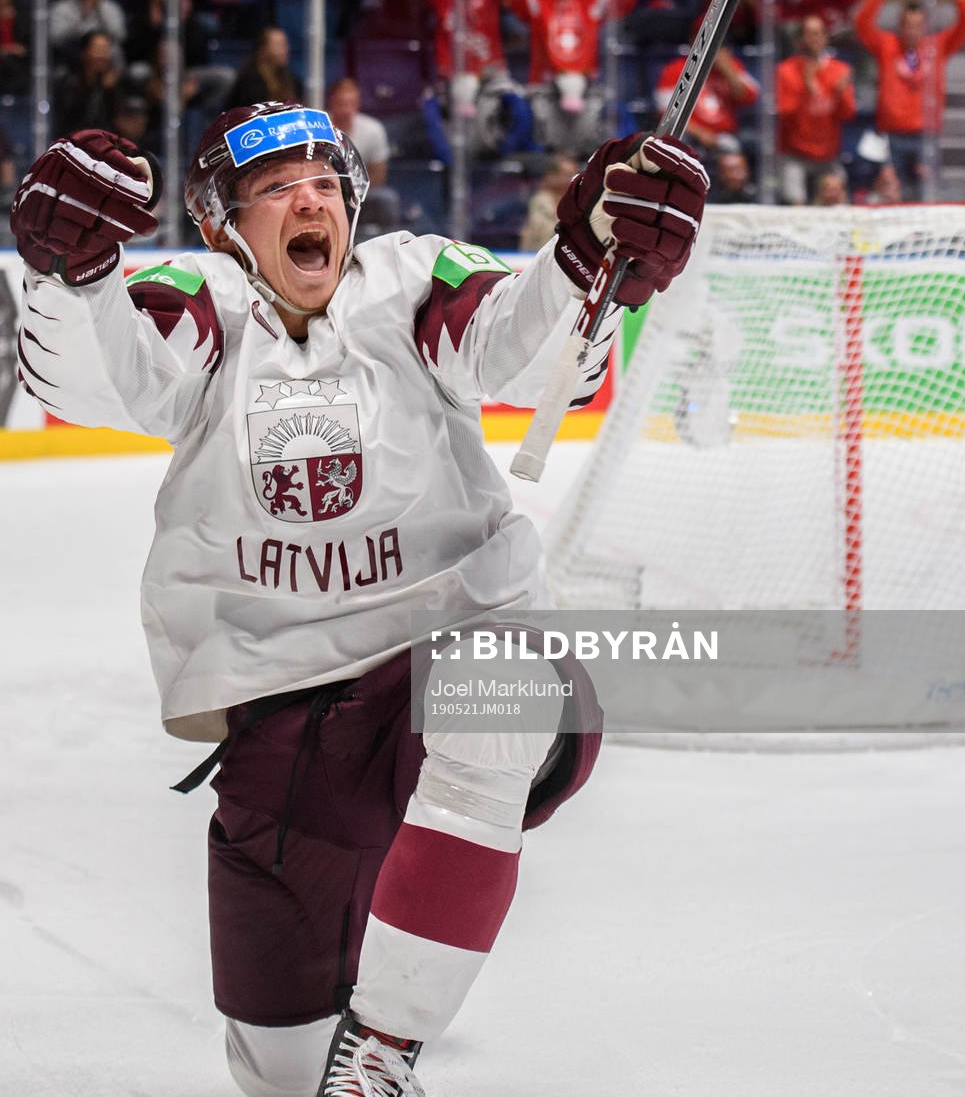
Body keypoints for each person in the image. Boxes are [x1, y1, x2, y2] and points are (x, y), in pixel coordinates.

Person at [11, 103, 709, 1096]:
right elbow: (105, 379)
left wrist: (586, 262)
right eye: (275, 188)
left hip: (443, 653)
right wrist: (67, 275)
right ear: (220, 224)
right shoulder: (204, 301)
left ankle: (382, 1047)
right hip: (281, 717)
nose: (310, 201)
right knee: (279, 1071)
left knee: (497, 690)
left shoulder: (412, 280)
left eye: (324, 183)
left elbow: (516, 347)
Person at [405, 0, 534, 161]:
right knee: (431, 111)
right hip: (453, 76)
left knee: (519, 107)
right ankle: (450, 164)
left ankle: (503, 158)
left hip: (492, 75)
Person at [854, 0, 965, 200]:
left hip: (926, 136)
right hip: (891, 135)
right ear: (900, 24)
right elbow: (861, 24)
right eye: (907, 24)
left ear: (925, 25)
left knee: (926, 196)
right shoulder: (887, 44)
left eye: (917, 25)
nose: (912, 30)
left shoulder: (937, 46)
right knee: (891, 194)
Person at [506, 0, 636, 156]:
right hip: (544, 87)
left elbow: (625, 3)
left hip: (586, 87)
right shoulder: (539, 0)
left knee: (608, 123)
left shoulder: (593, 0)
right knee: (539, 136)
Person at [775, 14, 856, 205]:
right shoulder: (786, 70)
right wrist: (806, 90)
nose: (815, 39)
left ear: (826, 37)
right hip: (795, 153)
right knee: (795, 203)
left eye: (819, 33)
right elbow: (784, 114)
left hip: (827, 154)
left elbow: (848, 114)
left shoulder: (839, 70)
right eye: (810, 34)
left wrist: (841, 94)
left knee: (839, 200)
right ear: (800, 39)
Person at [326, 76, 401, 239]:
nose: (346, 110)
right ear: (331, 102)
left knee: (387, 199)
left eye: (351, 104)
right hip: (325, 190)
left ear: (357, 104)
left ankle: (387, 243)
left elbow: (379, 176)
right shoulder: (320, 128)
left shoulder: (373, 129)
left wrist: (353, 192)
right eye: (341, 104)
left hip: (362, 193)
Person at [654, 45, 760, 159]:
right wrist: (702, 134)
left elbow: (750, 98)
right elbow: (668, 115)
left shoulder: (732, 66)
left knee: (753, 141)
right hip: (694, 135)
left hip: (728, 133)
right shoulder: (678, 69)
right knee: (678, 141)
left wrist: (728, 70)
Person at [49, 0, 128, 68]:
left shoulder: (110, 7)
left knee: (112, 50)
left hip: (106, 60)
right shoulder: (61, 8)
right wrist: (84, 13)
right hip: (72, 59)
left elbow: (120, 36)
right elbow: (56, 39)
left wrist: (99, 10)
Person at [225, 26, 303, 108]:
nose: (285, 50)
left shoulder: (290, 79)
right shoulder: (250, 81)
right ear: (263, 48)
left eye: (285, 45)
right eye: (279, 45)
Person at [518, 150, 579, 250]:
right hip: (536, 254)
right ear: (551, 176)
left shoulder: (579, 203)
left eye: (574, 174)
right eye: (567, 174)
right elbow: (542, 231)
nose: (573, 179)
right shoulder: (539, 201)